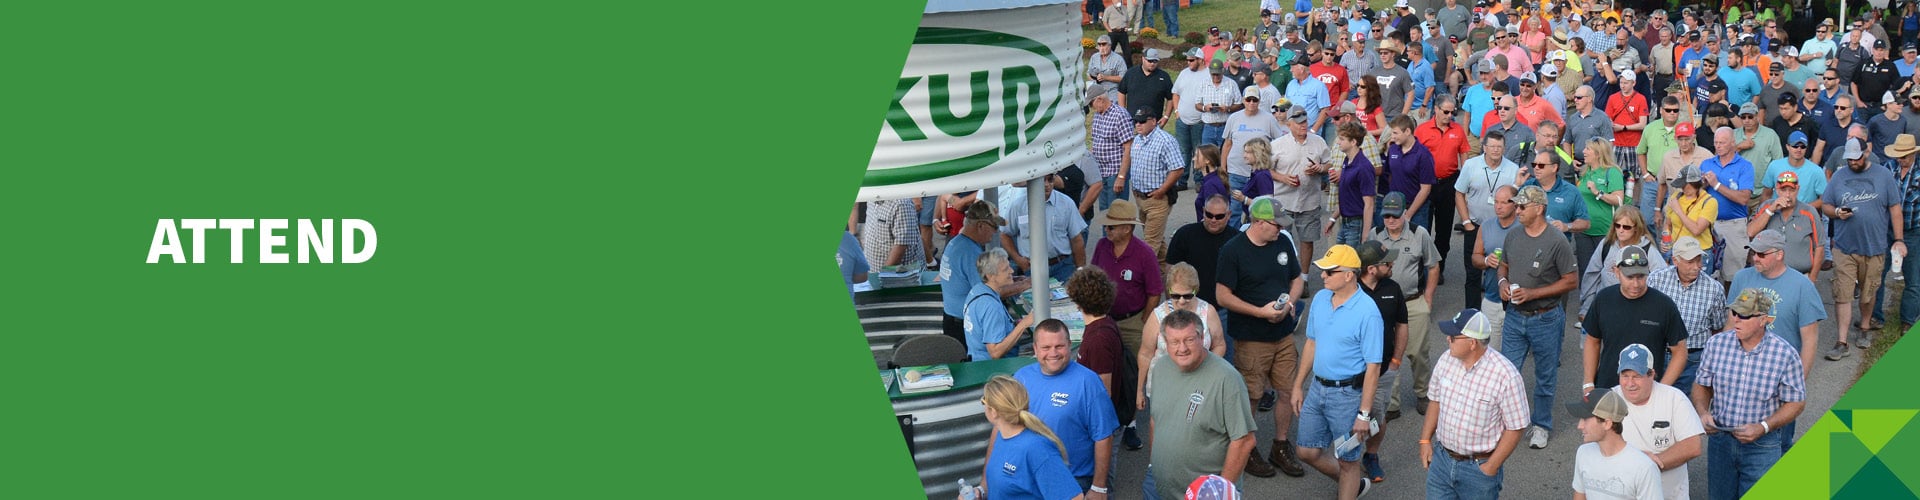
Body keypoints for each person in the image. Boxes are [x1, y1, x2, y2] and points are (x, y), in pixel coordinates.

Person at [1213, 196, 1308, 478]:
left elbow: (1297, 278)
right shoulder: (1233, 251)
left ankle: (1280, 445)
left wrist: (1289, 304)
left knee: (1288, 390)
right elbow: (1222, 295)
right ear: (1258, 222)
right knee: (1252, 396)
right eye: (1276, 224)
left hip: (1283, 335)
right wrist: (1259, 312)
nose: (1280, 229)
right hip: (1252, 338)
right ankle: (1248, 448)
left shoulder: (1281, 243)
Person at [1694, 289, 1807, 499]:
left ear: (1763, 319)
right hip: (1721, 441)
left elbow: (1796, 402)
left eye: (1744, 316)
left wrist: (1763, 427)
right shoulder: (1716, 345)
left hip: (1762, 446)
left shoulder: (1785, 354)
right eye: (1735, 313)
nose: (1736, 320)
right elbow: (1702, 385)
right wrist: (1702, 412)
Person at [1292, 244, 1384, 499]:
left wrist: (1364, 415)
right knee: (1306, 452)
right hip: (1317, 389)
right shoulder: (1321, 299)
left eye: (1330, 271)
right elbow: (1311, 342)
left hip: (1347, 396)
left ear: (1349, 275)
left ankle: (1350, 483)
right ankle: (1352, 484)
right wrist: (1299, 385)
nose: (1323, 275)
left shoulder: (1368, 312)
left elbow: (1373, 368)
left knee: (1348, 461)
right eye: (1322, 270)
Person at [1143, 309, 1259, 500]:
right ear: (1164, 341)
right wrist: (1154, 465)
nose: (1182, 348)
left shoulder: (1227, 379)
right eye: (1174, 342)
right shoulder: (1160, 368)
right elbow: (1156, 420)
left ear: (1202, 336)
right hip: (1158, 487)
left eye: (1189, 340)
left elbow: (1245, 441)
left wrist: (1218, 493)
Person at [1497, 185, 1579, 450]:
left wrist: (1534, 293)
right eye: (1516, 206)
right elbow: (1504, 265)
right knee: (1507, 374)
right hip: (1514, 316)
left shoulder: (1557, 241)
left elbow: (1571, 281)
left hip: (1546, 318)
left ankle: (1541, 425)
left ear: (1539, 209)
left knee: (1545, 376)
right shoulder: (1513, 236)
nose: (1516, 210)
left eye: (1521, 206)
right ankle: (1504, 423)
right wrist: (1501, 282)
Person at [1419, 309, 1529, 499]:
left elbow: (1516, 427)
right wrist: (1425, 440)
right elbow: (1435, 400)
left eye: (1453, 337)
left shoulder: (1506, 376)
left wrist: (1491, 467)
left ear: (1472, 343)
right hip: (1442, 460)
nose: (1448, 340)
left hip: (1478, 469)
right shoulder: (1446, 360)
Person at [1821, 137, 1907, 358]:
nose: (1852, 163)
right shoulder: (1839, 176)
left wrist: (1898, 239)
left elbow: (1895, 209)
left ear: (1866, 153)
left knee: (1869, 294)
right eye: (1849, 159)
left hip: (1874, 247)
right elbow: (1827, 204)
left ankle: (1865, 328)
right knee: (1843, 294)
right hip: (1844, 246)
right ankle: (1841, 342)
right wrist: (1837, 213)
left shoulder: (1883, 175)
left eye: (1856, 158)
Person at [1015, 320, 1121, 497]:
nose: (1053, 353)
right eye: (1046, 347)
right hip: (1032, 479)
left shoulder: (1088, 382)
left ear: (1070, 345)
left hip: (1075, 481)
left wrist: (1098, 487)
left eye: (1059, 346)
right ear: (1035, 349)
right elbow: (1006, 426)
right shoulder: (1021, 378)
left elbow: (1104, 436)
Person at [1369, 192, 1439, 422]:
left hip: (1413, 301)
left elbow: (1433, 266)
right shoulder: (1376, 235)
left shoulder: (1420, 234)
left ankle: (1423, 393)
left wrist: (1427, 297)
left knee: (1418, 353)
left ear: (1404, 212)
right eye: (1386, 215)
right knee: (1389, 353)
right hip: (1385, 304)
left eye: (1395, 215)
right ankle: (1392, 403)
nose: (1390, 220)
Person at [1579, 246, 1689, 392]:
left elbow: (1680, 351)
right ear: (1616, 271)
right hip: (1608, 389)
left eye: (1641, 276)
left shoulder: (1664, 305)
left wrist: (1662, 389)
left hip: (1648, 394)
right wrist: (1588, 383)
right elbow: (1592, 341)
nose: (1636, 284)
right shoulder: (1603, 299)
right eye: (1629, 277)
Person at [1614, 343, 1706, 500]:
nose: (1630, 384)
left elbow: (1693, 445)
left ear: (1652, 374)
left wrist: (1650, 465)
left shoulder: (1674, 398)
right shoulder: (1610, 399)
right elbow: (1593, 443)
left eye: (1637, 376)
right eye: (1625, 376)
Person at [1066, 266, 1138, 464]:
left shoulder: (1098, 339)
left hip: (1101, 425)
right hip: (1104, 422)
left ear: (1078, 301)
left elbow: (1103, 391)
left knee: (1102, 476)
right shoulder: (1104, 323)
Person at [977, 375, 1086, 500]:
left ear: (993, 411)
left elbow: (1075, 497)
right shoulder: (1002, 437)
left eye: (983, 401)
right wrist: (980, 492)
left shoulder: (1037, 449)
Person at [1352, 241, 1408, 483]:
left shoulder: (1393, 288)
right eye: (1387, 262)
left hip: (1384, 368)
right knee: (1348, 417)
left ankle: (1371, 455)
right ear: (1372, 269)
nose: (1392, 264)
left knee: (1378, 418)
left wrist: (1396, 359)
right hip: (1353, 370)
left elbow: (1402, 325)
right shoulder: (1351, 290)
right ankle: (1348, 461)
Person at [1092, 198, 1163, 363]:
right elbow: (1093, 277)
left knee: (1140, 366)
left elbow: (1155, 292)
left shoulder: (1144, 254)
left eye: (1111, 227)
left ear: (1126, 228)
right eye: (1106, 226)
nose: (1106, 230)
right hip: (1105, 319)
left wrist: (1144, 319)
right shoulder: (1102, 246)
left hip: (1133, 322)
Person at [1565, 389, 1663, 500]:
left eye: (1585, 419)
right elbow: (1580, 495)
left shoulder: (1644, 468)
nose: (1580, 426)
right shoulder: (1583, 453)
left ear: (1607, 423)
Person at [1271, 107, 1335, 262]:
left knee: (1307, 241)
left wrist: (1320, 168)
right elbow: (1266, 170)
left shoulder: (1318, 142)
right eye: (1299, 123)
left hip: (1309, 201)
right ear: (1289, 124)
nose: (1303, 125)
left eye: (1305, 121)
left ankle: (1304, 278)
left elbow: (1329, 163)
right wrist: (1283, 178)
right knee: (1280, 240)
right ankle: (1284, 276)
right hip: (1283, 202)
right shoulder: (1277, 145)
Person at [1002, 173, 1089, 285]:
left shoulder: (1066, 203)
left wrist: (1080, 270)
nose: (1046, 184)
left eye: (1050, 180)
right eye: (1042, 180)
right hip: (1032, 268)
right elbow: (1005, 234)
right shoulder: (1018, 206)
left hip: (1062, 267)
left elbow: (1077, 240)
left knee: (1067, 302)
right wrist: (1018, 259)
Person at [1578, 206, 1663, 318]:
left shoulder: (1648, 250)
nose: (1621, 230)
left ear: (1637, 228)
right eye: (1617, 225)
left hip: (1635, 312)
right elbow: (1592, 276)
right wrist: (1586, 308)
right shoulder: (1607, 244)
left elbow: (1661, 281)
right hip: (1605, 309)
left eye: (1626, 227)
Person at [1125, 108, 1187, 260]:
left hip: (1158, 200)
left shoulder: (1165, 140)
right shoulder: (1138, 139)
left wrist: (1162, 190)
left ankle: (1142, 280)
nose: (1138, 125)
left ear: (1153, 121)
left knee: (1150, 245)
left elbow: (1178, 168)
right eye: (1136, 122)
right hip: (1141, 198)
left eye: (1142, 121)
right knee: (1156, 241)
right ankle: (1167, 273)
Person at [943, 202, 1006, 344]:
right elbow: (988, 292)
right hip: (962, 324)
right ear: (981, 226)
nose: (996, 231)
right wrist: (1024, 285)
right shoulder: (970, 252)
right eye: (994, 226)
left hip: (953, 318)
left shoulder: (957, 242)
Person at [1699, 127, 1757, 281]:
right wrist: (1703, 185)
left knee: (1733, 276)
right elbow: (1696, 192)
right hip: (1708, 224)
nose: (1718, 146)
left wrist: (1716, 185)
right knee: (1707, 273)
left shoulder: (1745, 166)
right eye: (1716, 142)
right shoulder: (1706, 163)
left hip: (1734, 225)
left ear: (1733, 143)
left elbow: (1744, 198)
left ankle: (1731, 305)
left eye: (1722, 143)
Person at [965, 248, 1037, 361]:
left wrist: (1014, 325)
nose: (1012, 271)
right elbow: (995, 352)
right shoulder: (991, 306)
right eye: (1005, 269)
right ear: (990, 276)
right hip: (992, 368)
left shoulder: (978, 289)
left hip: (975, 358)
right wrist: (1024, 324)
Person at [1750, 171, 1824, 279]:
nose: (1788, 195)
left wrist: (1812, 279)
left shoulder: (1809, 212)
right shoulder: (1766, 207)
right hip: (1769, 275)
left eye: (1792, 190)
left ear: (1798, 189)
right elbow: (1751, 232)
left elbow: (1820, 247)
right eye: (1783, 190)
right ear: (1777, 190)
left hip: (1801, 276)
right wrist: (1771, 210)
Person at [1573, 138, 1627, 273]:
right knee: (1585, 271)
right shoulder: (1585, 172)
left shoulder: (1612, 172)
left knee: (1606, 271)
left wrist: (1598, 193)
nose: (1583, 151)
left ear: (1598, 153)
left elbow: (1619, 200)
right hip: (1583, 231)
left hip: (1605, 232)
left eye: (1588, 149)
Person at [1382, 116, 1438, 229]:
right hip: (1395, 207)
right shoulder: (1393, 149)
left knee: (1416, 244)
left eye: (1395, 133)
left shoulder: (1423, 154)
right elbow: (1389, 175)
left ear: (1407, 131)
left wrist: (1409, 214)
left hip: (1417, 210)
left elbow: (1426, 188)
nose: (1392, 137)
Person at [1089, 82, 1136, 212]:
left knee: (1116, 212)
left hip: (1115, 173)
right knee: (1104, 211)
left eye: (1091, 104)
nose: (1091, 108)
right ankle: (1106, 233)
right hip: (1101, 173)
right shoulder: (1097, 115)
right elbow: (1095, 142)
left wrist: (1121, 177)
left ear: (1099, 99)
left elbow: (1128, 147)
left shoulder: (1120, 115)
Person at [1331, 122, 1378, 245]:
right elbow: (1347, 196)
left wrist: (1365, 235)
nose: (1338, 142)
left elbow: (1369, 204)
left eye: (1342, 139)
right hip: (1345, 222)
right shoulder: (1347, 161)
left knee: (1352, 262)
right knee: (1340, 259)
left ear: (1353, 142)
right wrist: (1333, 218)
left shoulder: (1363, 167)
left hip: (1356, 223)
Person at [862, 198, 924, 277]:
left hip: (901, 278)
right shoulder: (871, 198)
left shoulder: (901, 204)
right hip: (873, 272)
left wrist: (883, 276)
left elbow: (901, 245)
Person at [1119, 48, 1175, 125]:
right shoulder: (1131, 73)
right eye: (1150, 61)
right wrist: (1123, 113)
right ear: (1143, 59)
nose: (1152, 63)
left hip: (1154, 123)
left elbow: (1171, 98)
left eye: (1155, 61)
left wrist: (1166, 117)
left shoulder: (1164, 76)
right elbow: (1121, 91)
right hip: (1132, 122)